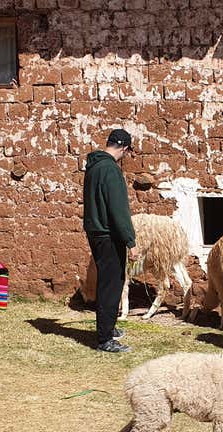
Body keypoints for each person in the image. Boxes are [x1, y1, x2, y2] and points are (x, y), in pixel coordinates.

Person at [83, 129, 139, 353]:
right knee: (111, 285)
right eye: (127, 152)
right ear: (124, 147)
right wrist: (130, 240)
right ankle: (105, 339)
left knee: (107, 282)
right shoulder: (111, 171)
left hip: (95, 231)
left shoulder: (93, 167)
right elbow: (118, 210)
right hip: (108, 235)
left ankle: (108, 327)